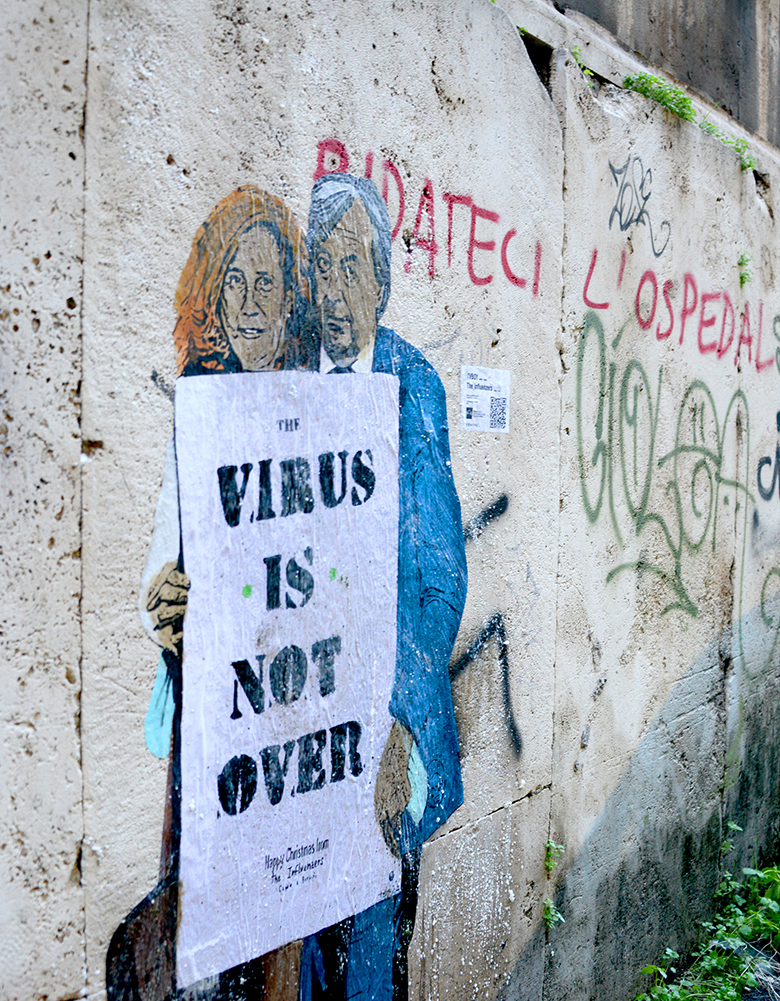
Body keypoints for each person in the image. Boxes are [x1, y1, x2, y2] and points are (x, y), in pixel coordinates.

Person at [110, 185, 310, 1001]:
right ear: (214, 297)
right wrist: (166, 605)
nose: (253, 303)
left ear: (291, 296)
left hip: (290, 710)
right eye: (237, 282)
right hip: (208, 717)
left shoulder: (313, 410)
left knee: (276, 938)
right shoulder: (197, 411)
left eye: (269, 283)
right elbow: (163, 561)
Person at [298, 173, 467, 1001]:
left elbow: (440, 576)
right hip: (310, 725)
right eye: (322, 270)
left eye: (353, 268)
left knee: (372, 954)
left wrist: (400, 726)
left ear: (382, 279)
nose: (336, 292)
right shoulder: (292, 379)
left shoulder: (413, 386)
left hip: (388, 723)